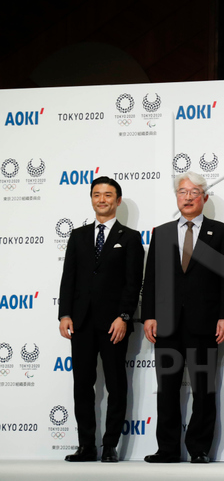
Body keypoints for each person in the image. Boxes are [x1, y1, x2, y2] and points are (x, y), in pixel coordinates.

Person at [141, 171, 224, 463]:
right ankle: (167, 449)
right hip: (166, 324)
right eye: (183, 192)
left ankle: (199, 449)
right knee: (167, 389)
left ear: (204, 197)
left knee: (204, 390)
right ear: (176, 197)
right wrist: (149, 316)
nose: (188, 197)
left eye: (194, 192)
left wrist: (223, 316)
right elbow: (151, 279)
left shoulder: (221, 233)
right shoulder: (162, 232)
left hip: (205, 323)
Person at [58, 176, 144, 463]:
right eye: (97, 194)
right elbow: (68, 278)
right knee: (82, 384)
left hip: (114, 324)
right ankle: (86, 446)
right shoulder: (78, 236)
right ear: (91, 199)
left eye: (108, 195)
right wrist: (65, 314)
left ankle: (110, 446)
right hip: (80, 322)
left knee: (116, 385)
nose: (102, 199)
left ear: (117, 200)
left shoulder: (130, 237)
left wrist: (124, 316)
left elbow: (133, 283)